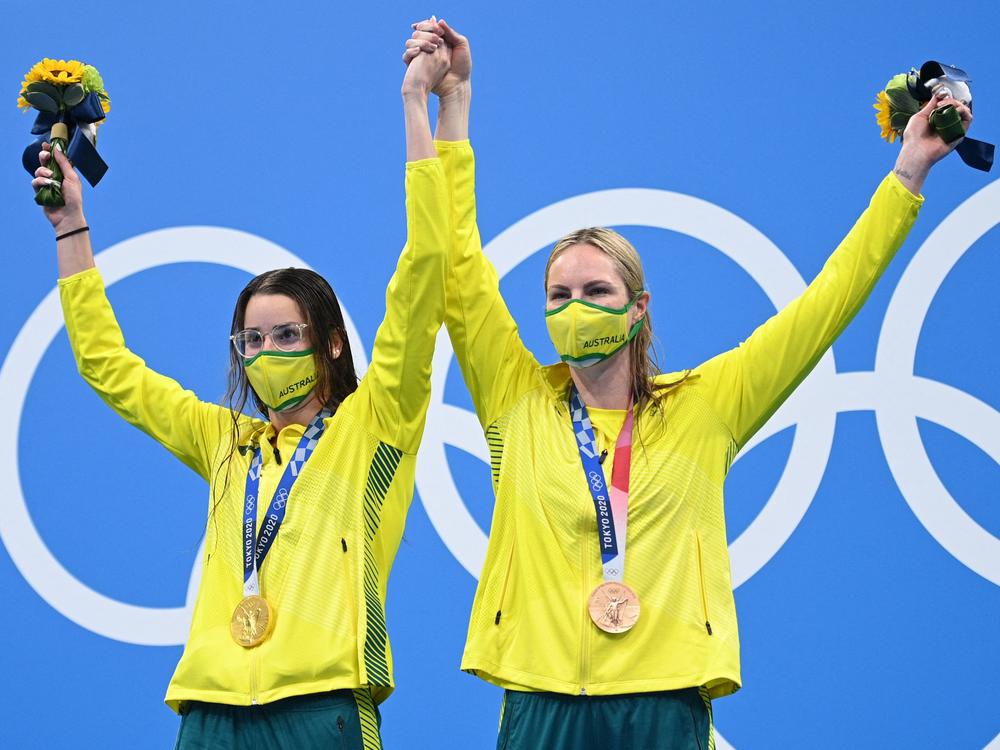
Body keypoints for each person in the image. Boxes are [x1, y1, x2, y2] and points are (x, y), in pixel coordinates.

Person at [404, 20, 973, 750]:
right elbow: (454, 262)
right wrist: (450, 105)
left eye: (596, 290)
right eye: (558, 295)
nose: (575, 308)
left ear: (638, 309)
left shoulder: (708, 405)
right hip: (540, 702)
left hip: (666, 706)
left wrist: (909, 175)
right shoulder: (514, 398)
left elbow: (829, 302)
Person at [32, 30, 454, 750]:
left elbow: (425, 271)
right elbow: (107, 365)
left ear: (329, 343)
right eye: (251, 340)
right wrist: (71, 225)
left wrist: (421, 106)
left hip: (324, 709)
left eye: (286, 336)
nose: (265, 353)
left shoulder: (377, 423)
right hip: (209, 714)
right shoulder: (224, 441)